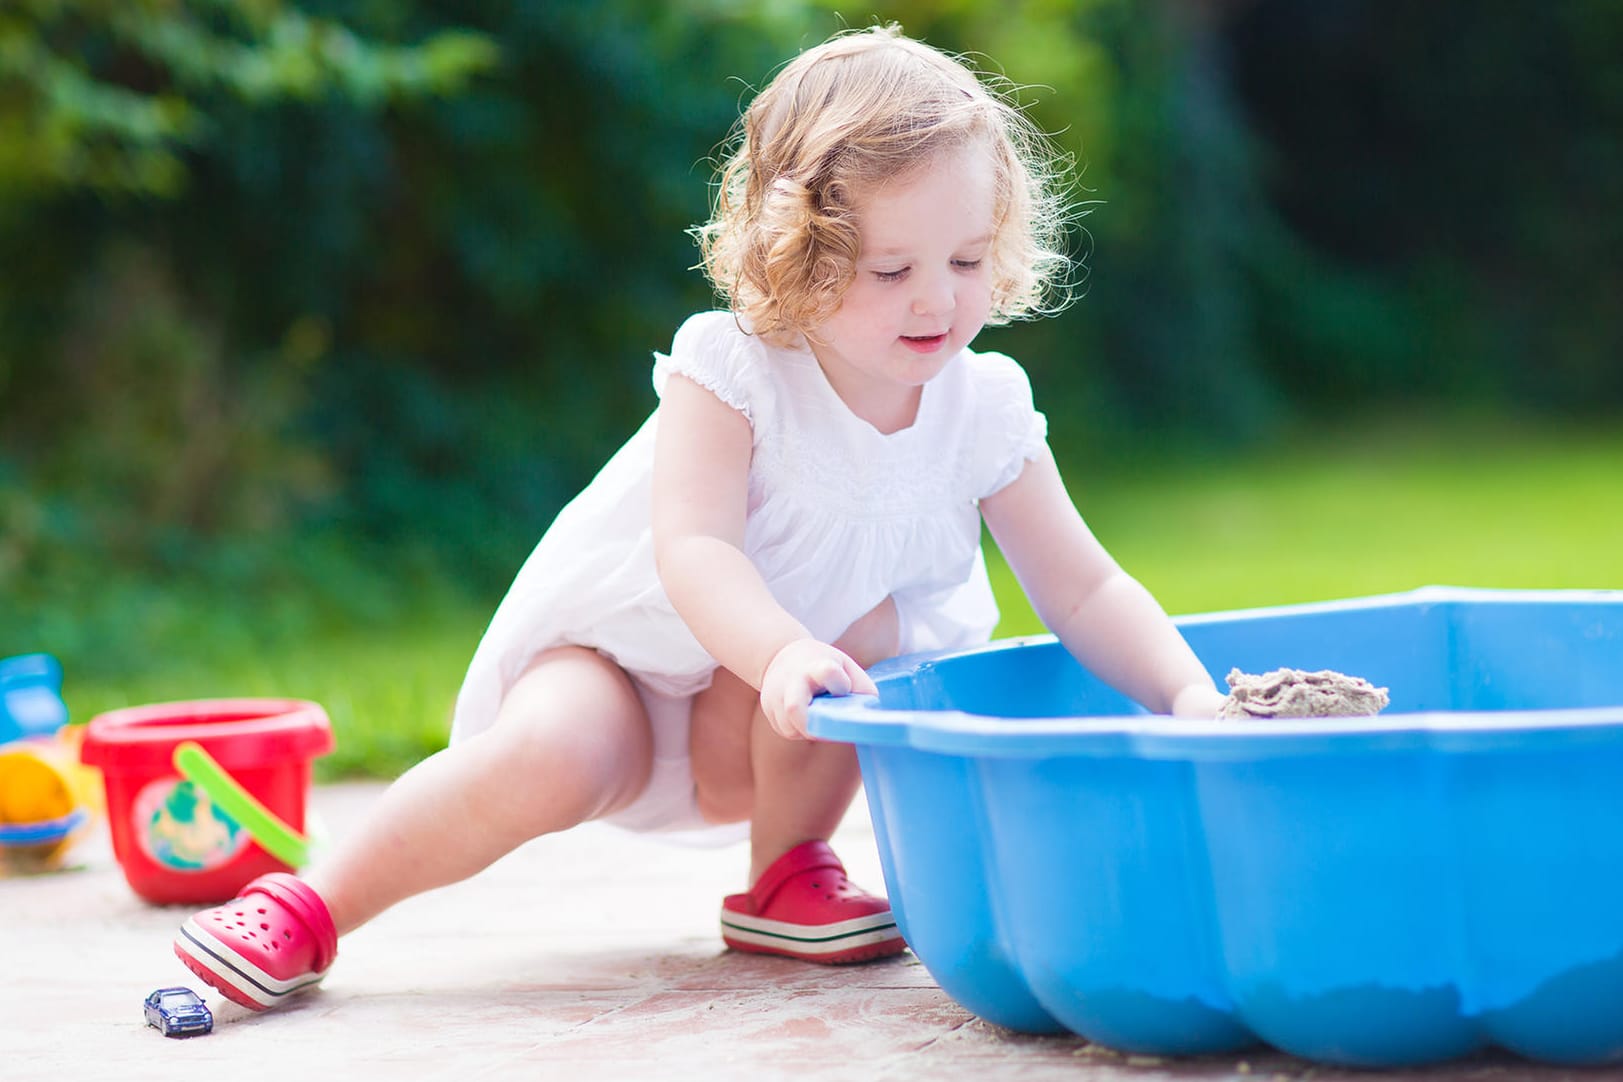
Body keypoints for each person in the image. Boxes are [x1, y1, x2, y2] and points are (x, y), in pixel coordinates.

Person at [172, 23, 1229, 1013]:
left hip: (775, 722)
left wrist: (1187, 695)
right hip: (631, 660)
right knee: (546, 753)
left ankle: (783, 872)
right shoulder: (735, 368)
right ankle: (312, 908)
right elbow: (695, 545)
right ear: (801, 254)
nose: (936, 302)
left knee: (862, 630)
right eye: (892, 269)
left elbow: (1083, 585)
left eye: (965, 261)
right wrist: (772, 647)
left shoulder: (983, 405)